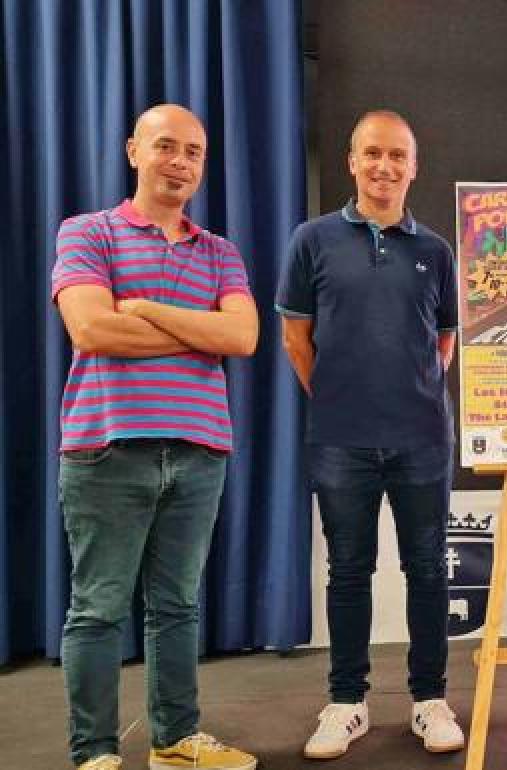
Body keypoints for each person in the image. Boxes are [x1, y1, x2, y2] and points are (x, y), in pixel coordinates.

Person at [51, 104, 259, 770]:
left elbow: (243, 337)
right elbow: (91, 329)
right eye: (166, 146)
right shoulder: (87, 233)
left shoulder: (220, 252)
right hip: (106, 447)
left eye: (194, 151)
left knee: (178, 607)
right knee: (98, 609)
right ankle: (95, 753)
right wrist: (198, 330)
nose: (181, 161)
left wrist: (142, 309)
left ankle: (174, 741)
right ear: (133, 151)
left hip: (200, 450)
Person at [276, 109, 462, 759]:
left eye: (397, 156)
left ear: (414, 167)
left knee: (428, 569)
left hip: (423, 439)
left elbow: (443, 342)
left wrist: (408, 392)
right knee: (349, 571)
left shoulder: (435, 251)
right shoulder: (312, 240)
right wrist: (340, 395)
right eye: (373, 153)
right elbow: (295, 338)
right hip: (341, 438)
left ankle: (429, 700)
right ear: (352, 161)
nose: (385, 166)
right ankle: (346, 703)